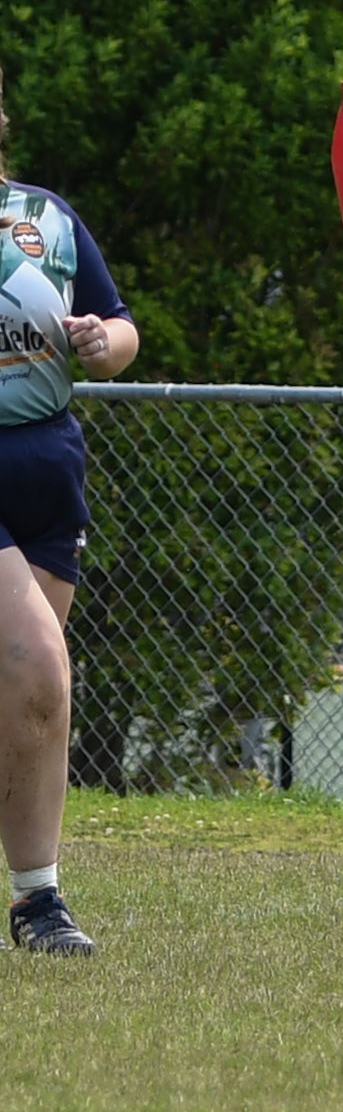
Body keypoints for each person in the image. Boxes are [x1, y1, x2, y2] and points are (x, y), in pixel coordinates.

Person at [0, 71, 139, 954]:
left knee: (23, 705)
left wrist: (99, 340)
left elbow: (122, 331)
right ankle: (41, 905)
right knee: (40, 668)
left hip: (49, 477)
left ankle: (30, 902)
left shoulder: (45, 217)